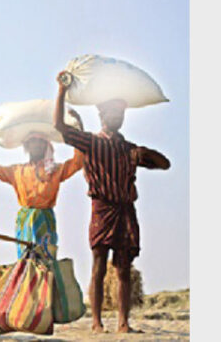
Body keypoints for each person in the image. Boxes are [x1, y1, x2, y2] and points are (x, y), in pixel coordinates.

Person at [53, 74, 170, 334]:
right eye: (112, 114)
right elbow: (60, 126)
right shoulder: (91, 142)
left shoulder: (130, 148)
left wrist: (144, 154)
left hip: (126, 211)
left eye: (120, 114)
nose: (117, 118)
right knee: (98, 265)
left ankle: (123, 322)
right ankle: (96, 322)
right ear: (103, 116)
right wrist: (61, 91)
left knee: (124, 268)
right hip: (103, 209)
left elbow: (165, 164)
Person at [0, 118, 84, 258]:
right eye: (32, 142)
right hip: (25, 224)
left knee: (46, 263)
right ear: (26, 147)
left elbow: (78, 162)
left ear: (46, 146)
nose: (36, 146)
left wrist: (78, 133)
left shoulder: (54, 171)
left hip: (46, 223)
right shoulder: (16, 171)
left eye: (40, 142)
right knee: (25, 263)